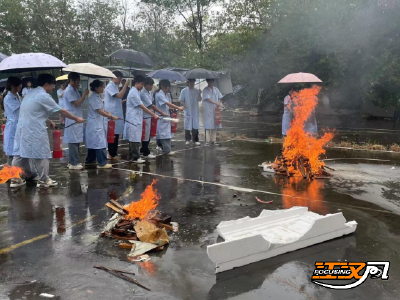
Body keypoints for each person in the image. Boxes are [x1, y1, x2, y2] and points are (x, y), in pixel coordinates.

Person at [11, 74, 85, 188]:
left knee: (20, 154)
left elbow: (35, 111)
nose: (53, 88)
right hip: (34, 129)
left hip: (23, 128)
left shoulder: (31, 93)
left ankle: (15, 180)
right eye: (52, 85)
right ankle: (44, 180)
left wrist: (49, 121)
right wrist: (76, 118)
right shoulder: (43, 96)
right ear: (46, 84)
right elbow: (61, 110)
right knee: (41, 154)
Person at [124, 75, 160, 163]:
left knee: (136, 138)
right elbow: (142, 106)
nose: (142, 86)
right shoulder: (133, 93)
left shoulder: (137, 91)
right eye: (142, 84)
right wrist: (153, 114)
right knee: (134, 138)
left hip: (136, 118)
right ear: (136, 83)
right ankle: (135, 157)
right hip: (133, 119)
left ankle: (133, 156)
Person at [85, 80, 118, 169]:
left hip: (96, 123)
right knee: (99, 143)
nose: (103, 88)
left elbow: (101, 109)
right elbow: (100, 111)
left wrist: (108, 113)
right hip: (95, 124)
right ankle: (102, 163)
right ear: (96, 88)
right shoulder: (94, 98)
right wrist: (111, 116)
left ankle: (90, 160)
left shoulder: (97, 96)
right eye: (101, 87)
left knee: (93, 143)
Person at [63, 72, 89, 170]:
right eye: (77, 81)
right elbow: (77, 103)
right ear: (72, 80)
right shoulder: (69, 91)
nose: (78, 83)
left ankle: (73, 161)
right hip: (72, 118)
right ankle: (73, 163)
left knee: (76, 140)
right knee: (73, 141)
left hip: (77, 117)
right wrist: (84, 95)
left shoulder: (74, 90)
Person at [104, 71, 130, 161]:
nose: (120, 81)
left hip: (116, 113)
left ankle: (113, 153)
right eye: (119, 79)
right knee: (112, 135)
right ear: (114, 77)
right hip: (112, 113)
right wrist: (125, 85)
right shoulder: (110, 86)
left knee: (116, 134)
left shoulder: (115, 86)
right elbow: (119, 95)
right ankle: (111, 153)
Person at [140, 77, 167, 159]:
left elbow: (152, 103)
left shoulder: (150, 92)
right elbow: (150, 105)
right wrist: (161, 112)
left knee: (149, 135)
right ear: (145, 85)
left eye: (152, 85)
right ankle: (145, 152)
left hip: (149, 116)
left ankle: (143, 149)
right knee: (145, 135)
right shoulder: (143, 93)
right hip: (144, 116)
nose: (151, 87)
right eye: (150, 85)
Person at [154, 80, 183, 155]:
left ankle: (166, 149)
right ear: (162, 86)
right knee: (163, 135)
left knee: (167, 134)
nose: (168, 88)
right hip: (161, 117)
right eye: (167, 87)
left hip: (167, 116)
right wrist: (178, 107)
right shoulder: (159, 94)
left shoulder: (167, 94)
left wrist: (174, 109)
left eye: (169, 87)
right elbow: (167, 103)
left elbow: (169, 105)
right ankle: (166, 150)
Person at [3, 77, 22, 166]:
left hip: (19, 125)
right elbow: (20, 108)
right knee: (11, 152)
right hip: (12, 126)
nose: (21, 86)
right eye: (20, 85)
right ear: (14, 86)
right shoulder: (8, 98)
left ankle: (15, 173)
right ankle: (10, 175)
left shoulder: (18, 95)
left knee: (18, 151)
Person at [202, 79, 224, 145]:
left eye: (212, 81)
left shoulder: (216, 89)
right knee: (208, 125)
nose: (211, 83)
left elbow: (220, 97)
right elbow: (207, 98)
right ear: (207, 82)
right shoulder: (205, 90)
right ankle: (207, 141)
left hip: (215, 109)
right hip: (208, 109)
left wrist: (218, 102)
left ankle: (213, 140)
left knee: (215, 124)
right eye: (210, 81)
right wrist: (215, 102)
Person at [179, 79, 201, 146]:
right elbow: (181, 100)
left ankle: (196, 140)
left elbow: (199, 99)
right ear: (188, 83)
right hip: (188, 110)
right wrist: (185, 106)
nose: (192, 84)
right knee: (187, 125)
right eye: (191, 82)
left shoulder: (196, 91)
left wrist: (200, 93)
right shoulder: (184, 91)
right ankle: (187, 139)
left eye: (193, 82)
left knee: (195, 125)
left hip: (195, 110)